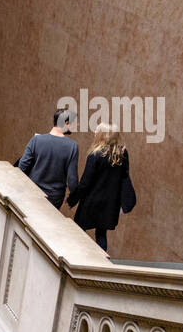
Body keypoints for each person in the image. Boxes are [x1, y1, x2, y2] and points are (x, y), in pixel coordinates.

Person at [68, 123, 136, 252]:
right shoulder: (122, 154)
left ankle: (73, 256)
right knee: (101, 234)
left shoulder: (95, 155)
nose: (94, 133)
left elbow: (85, 182)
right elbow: (124, 177)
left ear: (102, 136)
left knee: (77, 231)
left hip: (92, 201)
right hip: (110, 204)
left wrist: (73, 199)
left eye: (96, 131)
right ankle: (101, 262)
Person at [17, 107, 80, 209]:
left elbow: (22, 167)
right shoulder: (72, 146)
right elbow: (72, 179)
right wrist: (73, 198)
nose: (76, 126)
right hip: (54, 199)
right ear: (67, 123)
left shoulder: (36, 140)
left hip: (32, 193)